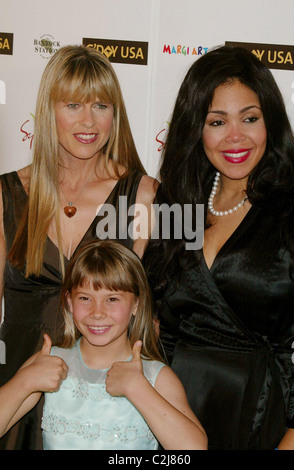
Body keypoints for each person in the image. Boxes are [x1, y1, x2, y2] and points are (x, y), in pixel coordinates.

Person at [143, 45, 294, 450]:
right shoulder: (177, 206)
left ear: (272, 123)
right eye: (217, 121)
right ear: (196, 127)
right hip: (173, 418)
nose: (235, 136)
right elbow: (156, 324)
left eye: (250, 118)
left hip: (266, 418)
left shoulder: (293, 210)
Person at [0, 45, 157, 449]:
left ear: (115, 113)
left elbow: (151, 314)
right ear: (48, 110)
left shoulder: (143, 196)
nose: (88, 121)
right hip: (17, 384)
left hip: (100, 404)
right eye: (73, 104)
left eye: (101, 105)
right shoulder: (7, 195)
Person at [0, 240, 207, 450]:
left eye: (112, 299)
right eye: (85, 298)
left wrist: (139, 389)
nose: (97, 312)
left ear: (136, 303)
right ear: (70, 303)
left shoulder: (155, 376)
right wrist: (24, 381)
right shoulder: (49, 362)